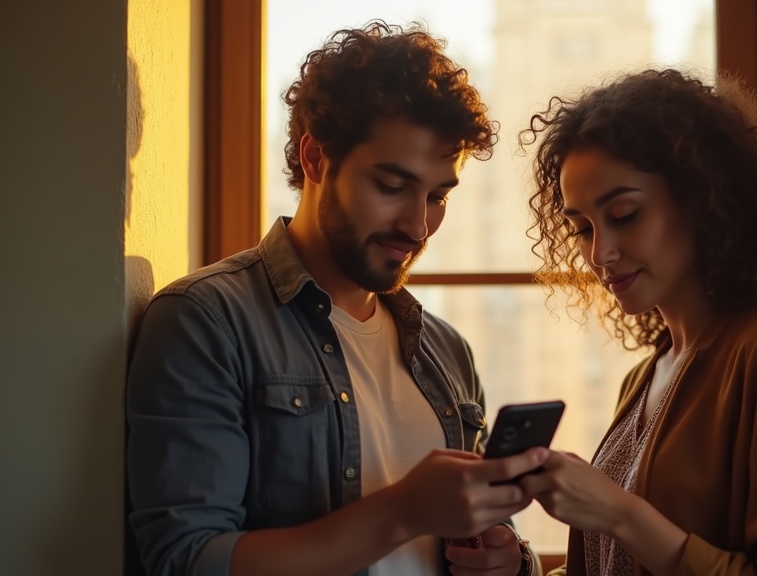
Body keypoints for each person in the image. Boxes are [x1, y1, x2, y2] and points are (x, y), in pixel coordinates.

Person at [126, 21, 542, 576]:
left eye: (438, 196)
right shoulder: (206, 321)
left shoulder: (448, 352)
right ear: (317, 159)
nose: (418, 226)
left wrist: (508, 559)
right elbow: (186, 561)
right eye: (392, 187)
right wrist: (400, 512)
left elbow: (483, 537)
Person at [518, 69, 757, 575]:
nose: (600, 253)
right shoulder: (645, 376)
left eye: (626, 214)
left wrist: (619, 513)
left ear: (702, 199)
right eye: (581, 229)